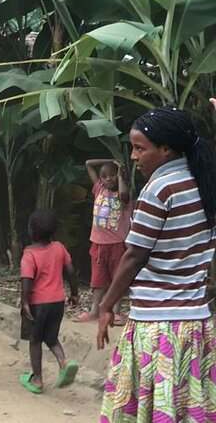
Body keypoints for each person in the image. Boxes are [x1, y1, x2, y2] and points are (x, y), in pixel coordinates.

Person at [98, 108, 216, 422]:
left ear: (165, 150)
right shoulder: (203, 183)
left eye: (140, 148)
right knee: (186, 410)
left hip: (157, 327)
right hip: (196, 325)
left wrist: (107, 304)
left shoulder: (159, 190)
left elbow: (135, 255)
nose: (134, 156)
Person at [19, 210, 80, 394]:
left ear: (32, 231)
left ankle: (37, 379)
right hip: (58, 301)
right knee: (51, 337)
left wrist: (24, 303)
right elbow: (70, 271)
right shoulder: (59, 247)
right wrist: (75, 294)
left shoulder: (29, 254)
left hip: (38, 303)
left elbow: (27, 280)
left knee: (35, 340)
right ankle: (64, 361)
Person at [73, 159, 132, 325]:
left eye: (111, 175)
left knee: (117, 279)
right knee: (98, 280)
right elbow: (88, 163)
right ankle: (94, 311)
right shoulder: (99, 189)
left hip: (117, 243)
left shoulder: (122, 194)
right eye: (104, 176)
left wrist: (120, 174)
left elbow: (125, 196)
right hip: (98, 243)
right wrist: (109, 161)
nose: (107, 179)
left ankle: (115, 313)